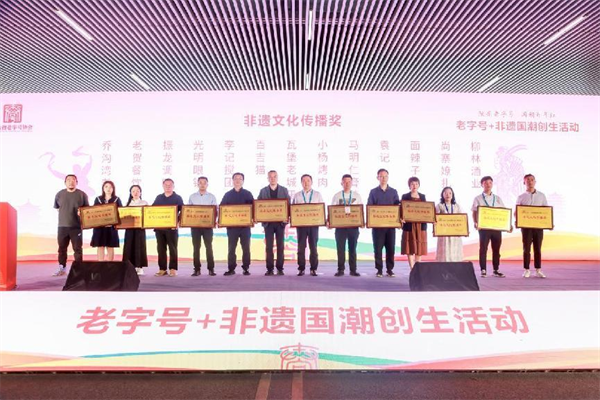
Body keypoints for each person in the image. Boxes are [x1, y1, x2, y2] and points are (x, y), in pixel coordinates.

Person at [472, 176, 511, 278]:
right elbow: (474, 212)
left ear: (492, 184)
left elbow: (504, 213)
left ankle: (496, 270)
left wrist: (508, 225)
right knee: (483, 249)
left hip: (496, 228)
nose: (488, 185)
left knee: (496, 249)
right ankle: (483, 269)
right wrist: (475, 222)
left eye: (490, 182)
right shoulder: (478, 198)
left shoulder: (497, 198)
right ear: (482, 185)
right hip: (484, 228)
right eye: (485, 183)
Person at [52, 174, 89, 276]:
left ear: (77, 182)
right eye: (68, 180)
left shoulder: (82, 195)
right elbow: (57, 208)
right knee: (62, 249)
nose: (71, 182)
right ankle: (62, 269)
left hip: (76, 227)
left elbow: (87, 210)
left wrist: (81, 213)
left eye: (73, 180)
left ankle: (79, 270)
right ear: (65, 182)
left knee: (77, 249)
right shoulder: (59, 194)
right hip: (62, 227)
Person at [367, 168, 400, 278]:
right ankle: (379, 270)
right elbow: (370, 207)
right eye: (381, 176)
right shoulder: (373, 192)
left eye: (385, 176)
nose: (383, 178)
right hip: (377, 227)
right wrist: (370, 221)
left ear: (388, 177)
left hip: (390, 226)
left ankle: (390, 269)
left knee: (390, 248)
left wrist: (399, 220)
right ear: (378, 178)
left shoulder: (393, 192)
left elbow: (398, 207)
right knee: (378, 249)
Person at [221, 172, 254, 276]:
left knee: (246, 248)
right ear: (233, 180)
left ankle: (246, 268)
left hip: (245, 227)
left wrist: (254, 218)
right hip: (232, 228)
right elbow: (222, 209)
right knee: (231, 249)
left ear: (243, 181)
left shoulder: (248, 194)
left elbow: (254, 209)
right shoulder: (227, 195)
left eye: (240, 179)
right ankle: (231, 268)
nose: (238, 181)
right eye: (236, 179)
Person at [516, 174, 549, 278]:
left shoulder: (542, 196)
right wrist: (517, 220)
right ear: (524, 182)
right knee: (526, 249)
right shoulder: (521, 197)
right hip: (526, 228)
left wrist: (549, 222)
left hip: (538, 227)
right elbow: (517, 212)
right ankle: (526, 269)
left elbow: (546, 211)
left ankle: (538, 269)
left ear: (535, 182)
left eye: (532, 180)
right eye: (527, 180)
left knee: (538, 248)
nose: (530, 182)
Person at [257, 170, 290, 276]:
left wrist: (287, 217)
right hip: (268, 224)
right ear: (268, 178)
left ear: (277, 177)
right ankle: (270, 269)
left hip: (280, 223)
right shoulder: (263, 191)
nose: (272, 178)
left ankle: (280, 268)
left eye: (274, 176)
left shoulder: (284, 190)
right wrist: (257, 217)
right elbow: (258, 206)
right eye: (270, 177)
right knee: (269, 247)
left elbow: (288, 205)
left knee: (280, 246)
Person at [331, 174, 363, 276]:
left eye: (349, 181)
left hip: (353, 227)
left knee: (352, 248)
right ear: (341, 183)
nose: (347, 184)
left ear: (352, 183)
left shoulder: (357, 196)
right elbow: (332, 211)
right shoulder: (337, 196)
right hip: (340, 227)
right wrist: (329, 221)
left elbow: (360, 211)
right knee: (340, 249)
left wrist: (362, 222)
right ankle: (340, 269)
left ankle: (353, 270)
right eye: (345, 181)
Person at [292, 174, 324, 276]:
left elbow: (321, 210)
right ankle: (301, 268)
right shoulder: (297, 195)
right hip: (301, 226)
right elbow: (293, 210)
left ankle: (313, 268)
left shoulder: (317, 195)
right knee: (301, 247)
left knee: (313, 247)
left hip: (313, 225)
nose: (306, 183)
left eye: (308, 181)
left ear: (312, 182)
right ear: (301, 183)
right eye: (304, 181)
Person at [152, 178, 184, 277]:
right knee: (161, 249)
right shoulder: (159, 198)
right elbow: (152, 211)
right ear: (163, 186)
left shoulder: (177, 198)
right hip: (159, 228)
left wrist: (177, 222)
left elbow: (183, 212)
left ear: (173, 186)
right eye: (166, 185)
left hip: (172, 228)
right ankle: (162, 269)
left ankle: (173, 269)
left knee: (173, 249)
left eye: (170, 185)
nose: (168, 186)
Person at [188, 176, 217, 277]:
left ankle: (211, 269)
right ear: (197, 184)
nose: (202, 185)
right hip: (195, 226)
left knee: (209, 247)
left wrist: (214, 221)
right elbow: (188, 212)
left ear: (207, 184)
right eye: (200, 182)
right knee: (196, 248)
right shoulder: (192, 197)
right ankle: (197, 269)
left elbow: (215, 211)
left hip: (207, 227)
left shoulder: (212, 197)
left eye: (204, 183)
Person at [90, 181, 122, 261]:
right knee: (100, 246)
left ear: (113, 189)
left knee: (110, 246)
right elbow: (93, 212)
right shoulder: (98, 199)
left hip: (111, 227)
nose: (108, 189)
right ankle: (100, 264)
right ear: (103, 188)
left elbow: (121, 212)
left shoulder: (117, 199)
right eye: (106, 187)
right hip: (99, 227)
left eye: (110, 187)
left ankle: (110, 265)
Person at [401, 177, 428, 269]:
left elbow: (426, 210)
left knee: (419, 248)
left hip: (420, 225)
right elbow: (402, 210)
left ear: (419, 185)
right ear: (409, 185)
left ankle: (417, 268)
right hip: (409, 225)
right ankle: (412, 268)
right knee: (409, 248)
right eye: (412, 184)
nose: (414, 186)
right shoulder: (405, 196)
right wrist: (402, 218)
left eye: (416, 184)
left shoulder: (423, 196)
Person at [122, 185, 148, 275]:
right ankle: (129, 267)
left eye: (137, 191)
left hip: (140, 228)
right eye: (133, 191)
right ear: (130, 193)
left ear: (140, 192)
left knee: (139, 246)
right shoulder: (127, 204)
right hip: (129, 229)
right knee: (129, 247)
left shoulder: (144, 203)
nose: (135, 193)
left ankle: (139, 267)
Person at [435, 187, 464, 262]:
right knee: (444, 253)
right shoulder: (439, 206)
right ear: (442, 194)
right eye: (446, 193)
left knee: (454, 251)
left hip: (455, 233)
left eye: (450, 193)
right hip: (443, 234)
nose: (448, 195)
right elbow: (435, 218)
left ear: (452, 195)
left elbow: (462, 219)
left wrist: (464, 230)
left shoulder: (457, 206)